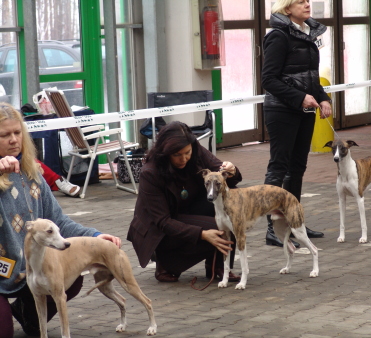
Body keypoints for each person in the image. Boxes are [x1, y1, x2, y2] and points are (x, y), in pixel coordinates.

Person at [0, 102, 121, 338]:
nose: (13, 140)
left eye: (17, 133)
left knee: (72, 274)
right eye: (4, 135)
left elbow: (59, 222)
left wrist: (95, 237)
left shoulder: (34, 174)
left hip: (29, 270)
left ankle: (28, 314)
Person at [127, 121, 241, 283]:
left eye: (187, 153)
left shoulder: (195, 150)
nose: (184, 159)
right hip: (158, 229)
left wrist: (232, 170)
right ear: (165, 153)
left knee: (231, 208)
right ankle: (166, 263)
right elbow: (162, 221)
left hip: (186, 209)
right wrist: (201, 234)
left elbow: (222, 174)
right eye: (177, 155)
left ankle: (219, 267)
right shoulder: (150, 173)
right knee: (218, 229)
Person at [262, 0, 332, 247]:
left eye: (307, 0)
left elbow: (309, 77)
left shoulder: (306, 34)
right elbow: (268, 79)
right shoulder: (278, 36)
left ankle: (293, 223)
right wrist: (300, 97)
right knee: (279, 167)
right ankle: (273, 228)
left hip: (303, 110)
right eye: (300, 1)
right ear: (286, 8)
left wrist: (323, 98)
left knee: (298, 167)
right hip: (281, 110)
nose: (307, 4)